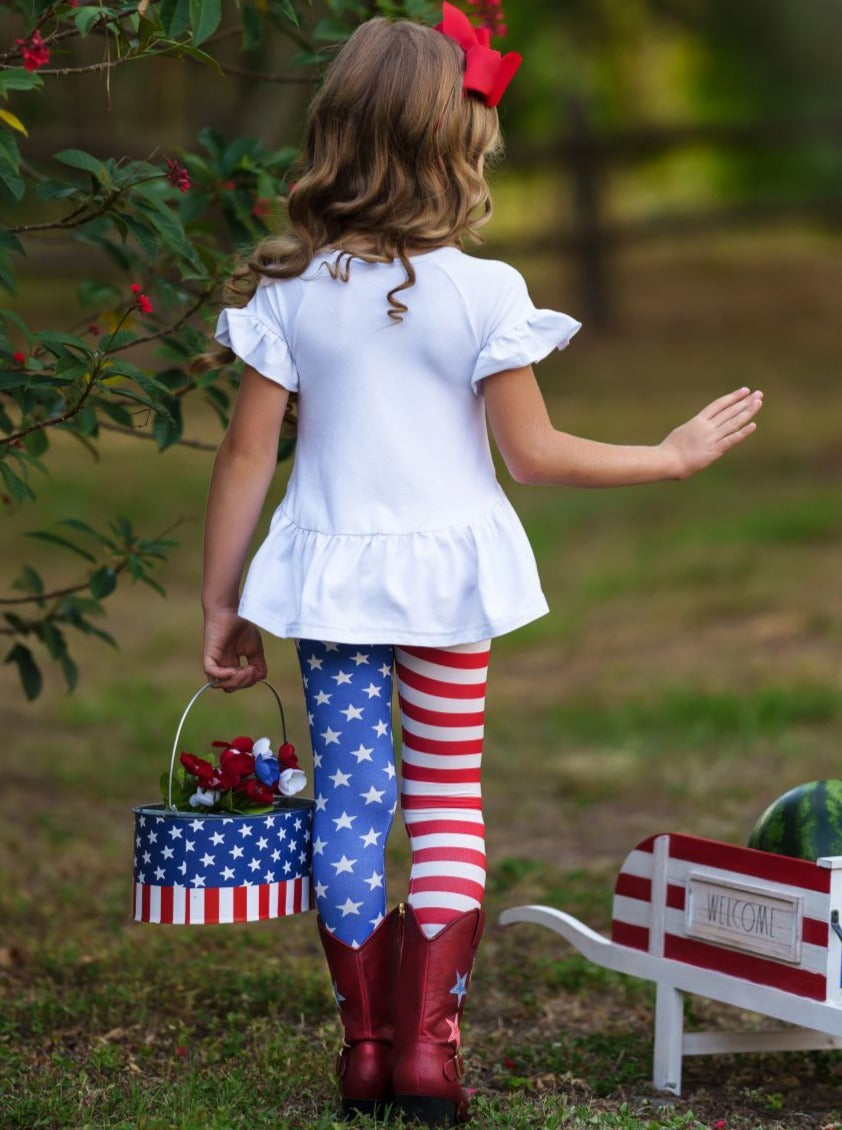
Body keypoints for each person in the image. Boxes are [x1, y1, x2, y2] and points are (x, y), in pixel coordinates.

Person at [197, 6, 763, 1125]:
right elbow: (534, 455)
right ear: (457, 141)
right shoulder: (485, 293)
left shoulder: (287, 293)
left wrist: (221, 601)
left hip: (331, 588)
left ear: (336, 133)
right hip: (449, 588)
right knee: (447, 798)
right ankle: (428, 1052)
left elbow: (246, 455)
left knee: (351, 803)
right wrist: (666, 455)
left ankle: (365, 1049)